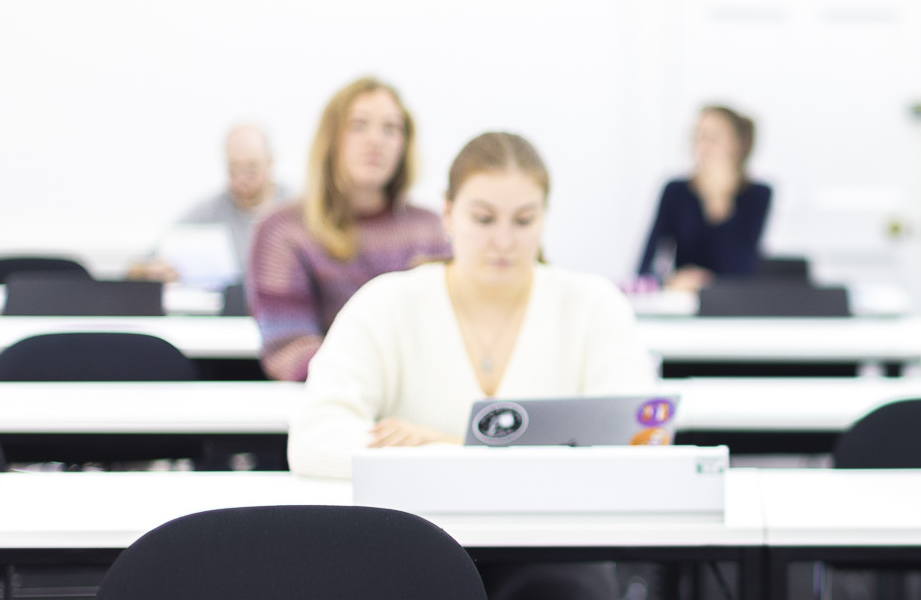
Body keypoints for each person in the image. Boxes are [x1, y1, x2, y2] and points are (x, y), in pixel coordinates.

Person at [288, 130, 655, 480]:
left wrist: (443, 446)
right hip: (422, 540)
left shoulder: (594, 306)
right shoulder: (385, 305)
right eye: (483, 218)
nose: (503, 241)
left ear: (544, 217)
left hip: (560, 540)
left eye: (524, 220)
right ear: (447, 215)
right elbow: (314, 440)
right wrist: (505, 460)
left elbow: (637, 439)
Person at [248, 78, 449, 381]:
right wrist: (383, 374)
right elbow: (289, 349)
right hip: (333, 399)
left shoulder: (431, 228)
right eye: (359, 125)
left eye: (391, 129)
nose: (375, 140)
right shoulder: (283, 230)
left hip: (423, 400)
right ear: (331, 138)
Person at [131, 124, 291, 284]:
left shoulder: (295, 209)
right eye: (233, 168)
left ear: (270, 161)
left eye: (251, 168)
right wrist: (154, 269)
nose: (242, 179)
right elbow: (145, 261)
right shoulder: (211, 209)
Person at [636, 106, 773, 291]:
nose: (703, 147)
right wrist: (669, 281)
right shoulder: (675, 191)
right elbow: (645, 266)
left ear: (737, 145)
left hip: (733, 305)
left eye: (713, 139)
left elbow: (742, 271)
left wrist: (719, 202)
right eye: (698, 137)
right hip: (683, 300)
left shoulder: (757, 195)